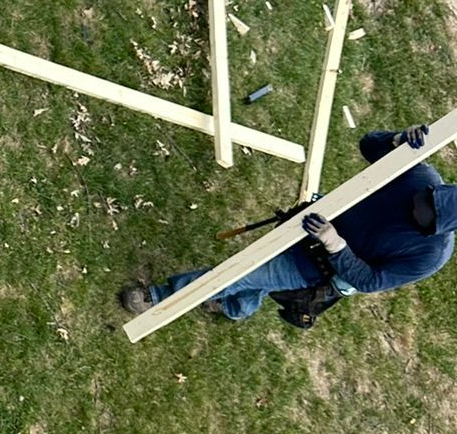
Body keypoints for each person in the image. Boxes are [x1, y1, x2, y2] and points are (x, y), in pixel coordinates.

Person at [121, 125, 457, 323]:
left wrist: (335, 244)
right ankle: (235, 307)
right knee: (259, 272)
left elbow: (371, 280)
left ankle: (160, 296)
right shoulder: (419, 175)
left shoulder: (429, 256)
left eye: (422, 216)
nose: (417, 206)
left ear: (436, 229)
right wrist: (398, 142)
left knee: (241, 271)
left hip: (319, 262)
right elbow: (368, 145)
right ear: (434, 190)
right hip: (315, 219)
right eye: (422, 200)